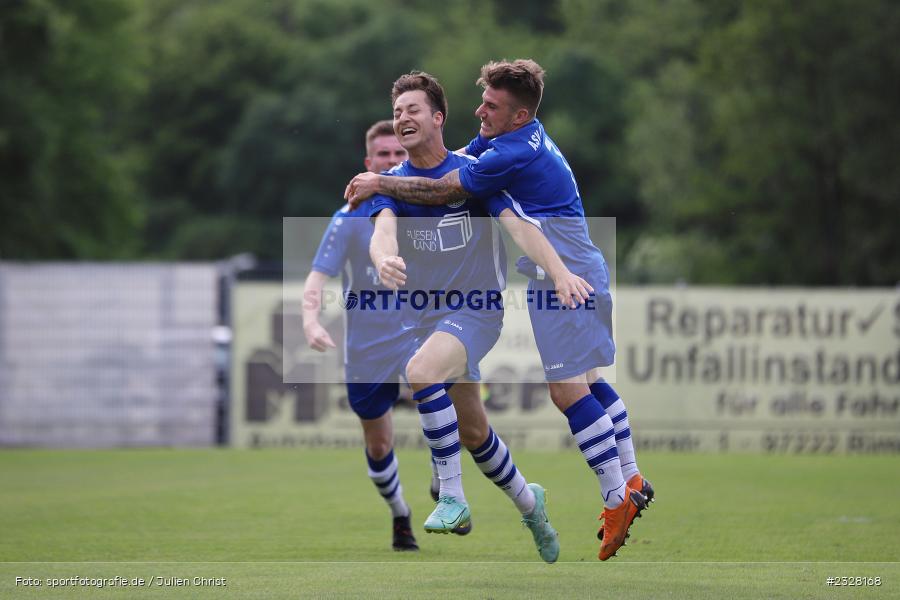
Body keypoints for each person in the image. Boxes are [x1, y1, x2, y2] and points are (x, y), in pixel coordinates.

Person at [346, 59, 653, 561]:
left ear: (436, 117)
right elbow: (384, 228)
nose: (481, 111)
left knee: (564, 388)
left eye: (413, 109)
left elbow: (491, 209)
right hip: (520, 285)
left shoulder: (485, 169)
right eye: (396, 110)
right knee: (489, 426)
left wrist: (557, 272)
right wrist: (384, 258)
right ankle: (543, 501)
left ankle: (607, 496)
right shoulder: (493, 148)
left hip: (537, 283)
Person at [302, 120, 424, 551]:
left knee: (441, 389)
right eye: (384, 156)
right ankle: (400, 513)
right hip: (367, 346)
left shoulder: (428, 205)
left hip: (418, 332)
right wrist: (311, 321)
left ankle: (447, 485)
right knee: (379, 443)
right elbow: (318, 276)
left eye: (399, 155)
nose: (392, 161)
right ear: (368, 164)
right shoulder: (350, 216)